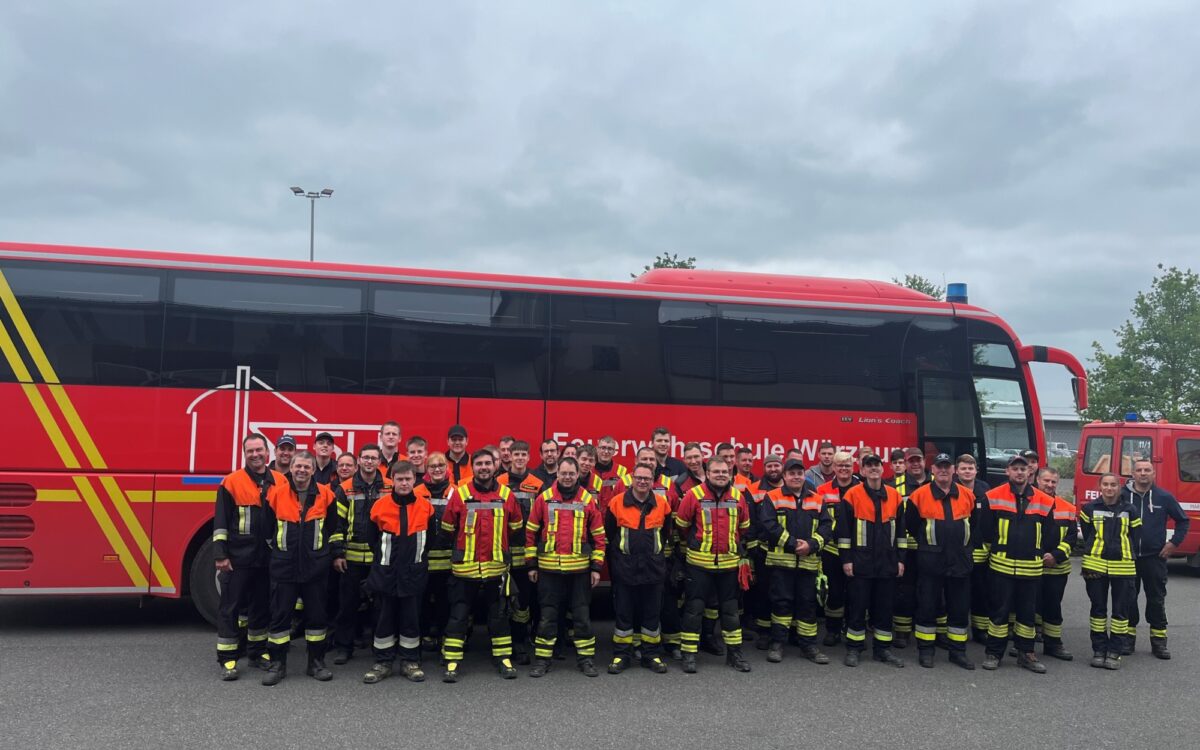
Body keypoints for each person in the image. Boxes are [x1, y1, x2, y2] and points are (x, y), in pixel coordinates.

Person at [438, 449, 524, 682]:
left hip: (496, 569)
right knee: (458, 616)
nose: (484, 467)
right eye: (479, 464)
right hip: (465, 569)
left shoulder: (507, 494)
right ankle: (452, 660)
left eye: (487, 463)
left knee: (499, 617)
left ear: (495, 466)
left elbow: (516, 525)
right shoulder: (461, 493)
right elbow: (447, 527)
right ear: (473, 467)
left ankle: (503, 658)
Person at [262, 451, 340, 685]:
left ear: (313, 470)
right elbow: (267, 531)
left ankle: (316, 663)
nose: (302, 470)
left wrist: (324, 555)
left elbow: (333, 529)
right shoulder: (275, 494)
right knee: (280, 618)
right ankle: (278, 665)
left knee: (316, 618)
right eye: (298, 466)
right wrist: (279, 554)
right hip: (284, 568)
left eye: (307, 467)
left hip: (315, 568)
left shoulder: (326, 495)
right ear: (291, 468)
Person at [525, 457, 607, 678]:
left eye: (572, 473)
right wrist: (531, 565)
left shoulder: (588, 499)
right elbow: (531, 532)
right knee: (547, 617)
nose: (568, 477)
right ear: (557, 474)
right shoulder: (544, 498)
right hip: (549, 570)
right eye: (564, 473)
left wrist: (596, 567)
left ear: (578, 474)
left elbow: (599, 536)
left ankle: (586, 659)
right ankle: (542, 660)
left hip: (579, 572)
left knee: (581, 617)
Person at [213, 434, 286, 680]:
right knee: (230, 607)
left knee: (261, 606)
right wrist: (221, 555)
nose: (255, 455)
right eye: (250, 451)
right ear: (244, 454)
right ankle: (228, 658)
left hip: (266, 557)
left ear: (267, 453)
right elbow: (221, 521)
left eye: (259, 450)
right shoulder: (231, 482)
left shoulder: (280, 480)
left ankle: (257, 652)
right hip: (238, 556)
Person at [675, 457, 752, 673]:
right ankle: (689, 654)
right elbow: (681, 524)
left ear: (730, 473)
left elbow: (744, 527)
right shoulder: (694, 495)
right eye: (716, 471)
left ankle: (735, 654)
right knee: (694, 610)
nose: (721, 475)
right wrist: (695, 544)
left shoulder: (738, 496)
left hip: (728, 565)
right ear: (707, 473)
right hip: (699, 564)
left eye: (725, 471)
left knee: (730, 612)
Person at [361, 460, 436, 684]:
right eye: (399, 479)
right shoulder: (380, 506)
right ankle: (383, 662)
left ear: (415, 480)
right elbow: (371, 539)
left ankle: (410, 661)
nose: (404, 483)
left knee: (411, 619)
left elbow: (430, 540)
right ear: (392, 480)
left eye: (408, 479)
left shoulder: (426, 507)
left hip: (413, 573)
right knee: (384, 618)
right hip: (386, 574)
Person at [980, 454, 1054, 673]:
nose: (1020, 472)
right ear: (1007, 472)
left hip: (1030, 569)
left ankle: (1026, 653)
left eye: (1023, 469)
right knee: (999, 614)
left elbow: (1050, 536)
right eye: (1015, 469)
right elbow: (985, 532)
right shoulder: (992, 497)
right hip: (1001, 567)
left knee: (1027, 615)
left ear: (1029, 472)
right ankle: (993, 653)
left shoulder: (1044, 500)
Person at [757, 458, 832, 664]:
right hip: (782, 563)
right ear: (785, 476)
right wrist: (792, 544)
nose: (796, 477)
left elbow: (827, 527)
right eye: (792, 473)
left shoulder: (817, 499)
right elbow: (769, 525)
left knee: (807, 605)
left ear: (804, 475)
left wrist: (811, 545)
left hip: (808, 563)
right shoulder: (772, 497)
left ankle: (809, 645)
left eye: (799, 473)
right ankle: (777, 643)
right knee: (781, 603)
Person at [905, 454, 975, 670]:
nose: (943, 470)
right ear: (932, 469)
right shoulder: (919, 495)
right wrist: (929, 546)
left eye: (947, 466)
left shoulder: (966, 494)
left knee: (959, 608)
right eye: (939, 466)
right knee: (927, 606)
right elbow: (912, 525)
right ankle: (926, 651)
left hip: (959, 560)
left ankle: (958, 652)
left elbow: (975, 524)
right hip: (930, 560)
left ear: (953, 469)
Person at [838, 452, 907, 668]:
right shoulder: (852, 495)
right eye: (869, 465)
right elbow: (844, 532)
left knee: (884, 608)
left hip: (887, 562)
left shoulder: (895, 496)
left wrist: (901, 559)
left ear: (882, 468)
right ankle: (854, 648)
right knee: (858, 607)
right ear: (863, 470)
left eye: (877, 465)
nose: (874, 468)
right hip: (861, 562)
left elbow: (902, 533)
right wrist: (846, 560)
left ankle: (882, 650)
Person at [605, 463, 672, 674]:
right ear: (632, 479)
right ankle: (621, 655)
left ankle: (651, 655)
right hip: (625, 569)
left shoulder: (662, 504)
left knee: (651, 616)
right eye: (639, 478)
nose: (642, 482)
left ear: (653, 481)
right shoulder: (616, 503)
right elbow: (609, 535)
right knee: (624, 615)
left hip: (653, 569)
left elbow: (666, 534)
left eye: (647, 478)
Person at [1122, 458, 1190, 659]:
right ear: (1132, 474)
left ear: (1154, 474)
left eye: (1147, 470)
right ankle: (1127, 639)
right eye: (1139, 470)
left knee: (1156, 600)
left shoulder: (1164, 497)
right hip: (1128, 558)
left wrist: (1173, 543)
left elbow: (1183, 521)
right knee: (1127, 599)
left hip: (1155, 558)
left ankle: (1159, 642)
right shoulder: (1122, 496)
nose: (1143, 473)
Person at [330, 443, 392, 665]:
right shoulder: (345, 488)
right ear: (359, 461)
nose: (369, 462)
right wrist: (338, 554)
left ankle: (380, 648)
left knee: (381, 606)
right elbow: (337, 525)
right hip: (352, 559)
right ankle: (344, 648)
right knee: (347, 605)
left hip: (380, 558)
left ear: (379, 462)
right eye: (365, 458)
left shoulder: (390, 487)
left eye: (373, 458)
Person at [1081, 472, 1141, 670]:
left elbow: (1135, 535)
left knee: (1120, 612)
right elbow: (1088, 533)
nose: (1109, 488)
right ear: (1100, 486)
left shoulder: (1130, 509)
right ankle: (1099, 649)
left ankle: (1115, 651)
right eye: (1105, 484)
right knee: (1098, 610)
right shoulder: (1089, 508)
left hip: (1123, 566)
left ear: (1119, 486)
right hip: (1095, 564)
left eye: (1113, 484)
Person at [497, 440, 546, 664]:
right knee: (498, 601)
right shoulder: (499, 482)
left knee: (523, 602)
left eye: (522, 454)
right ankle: (500, 644)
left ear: (528, 457)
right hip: (501, 553)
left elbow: (543, 520)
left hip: (526, 553)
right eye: (515, 453)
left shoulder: (537, 484)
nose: (518, 458)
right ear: (509, 455)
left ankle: (519, 642)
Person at [814, 452, 860, 645]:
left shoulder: (861, 488)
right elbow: (817, 520)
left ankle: (852, 629)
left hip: (858, 551)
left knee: (857, 593)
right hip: (832, 550)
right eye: (840, 465)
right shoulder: (822, 490)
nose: (843, 469)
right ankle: (832, 630)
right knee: (834, 592)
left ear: (853, 467)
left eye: (847, 465)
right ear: (833, 467)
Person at [414, 452, 456, 648]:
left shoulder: (456, 492)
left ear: (447, 468)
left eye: (441, 465)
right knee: (421, 602)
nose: (437, 469)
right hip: (422, 558)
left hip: (448, 560)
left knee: (445, 603)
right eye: (432, 466)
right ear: (426, 469)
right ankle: (422, 637)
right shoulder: (416, 491)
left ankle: (443, 637)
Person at [1036, 467, 1077, 661]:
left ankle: (1053, 644)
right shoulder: (1028, 504)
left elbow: (1071, 538)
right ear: (1037, 480)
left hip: (1057, 568)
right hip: (1033, 566)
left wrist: (1055, 555)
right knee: (1029, 607)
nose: (1050, 485)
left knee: (1053, 607)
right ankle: (1025, 645)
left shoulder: (1067, 507)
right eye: (1046, 481)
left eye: (1053, 482)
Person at [954, 454, 993, 643]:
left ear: (976, 470)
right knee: (958, 594)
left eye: (970, 468)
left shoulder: (985, 489)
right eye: (963, 468)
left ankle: (980, 630)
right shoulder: (950, 489)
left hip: (980, 551)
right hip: (958, 551)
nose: (967, 471)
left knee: (981, 592)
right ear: (956, 471)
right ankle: (957, 630)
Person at [595, 435, 631, 504]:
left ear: (614, 451)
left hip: (612, 512)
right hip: (593, 513)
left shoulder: (622, 471)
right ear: (597, 449)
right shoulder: (589, 469)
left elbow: (625, 496)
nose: (606, 451)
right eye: (603, 448)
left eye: (610, 449)